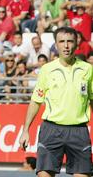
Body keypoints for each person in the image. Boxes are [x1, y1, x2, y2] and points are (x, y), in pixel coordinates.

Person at [19, 26, 93, 177]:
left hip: (79, 131)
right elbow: (35, 101)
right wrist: (25, 130)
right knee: (44, 175)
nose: (66, 46)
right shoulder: (47, 69)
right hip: (51, 130)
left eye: (70, 41)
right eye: (62, 41)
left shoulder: (88, 69)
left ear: (76, 43)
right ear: (56, 44)